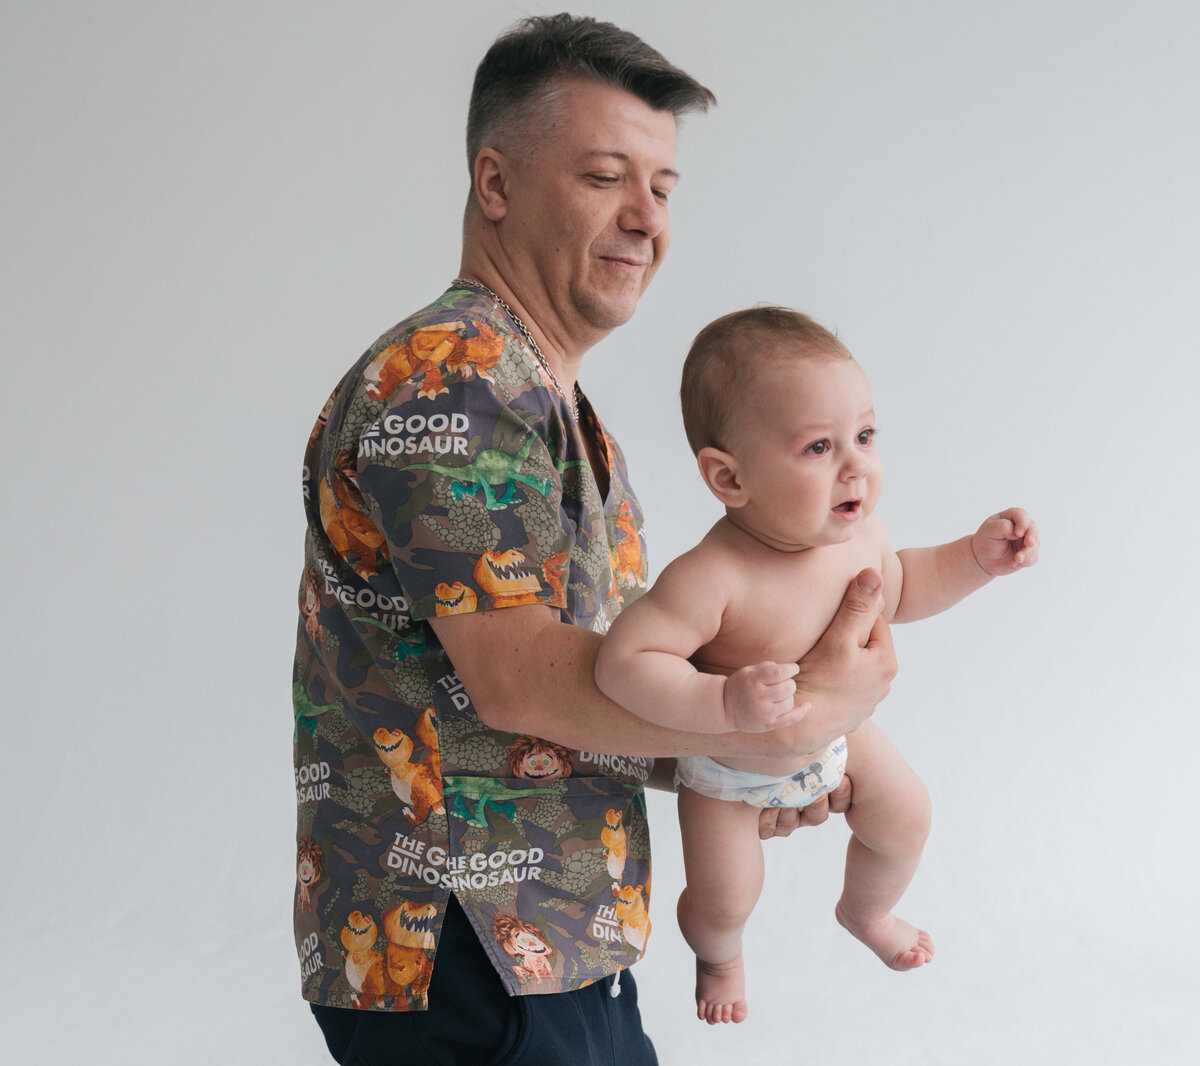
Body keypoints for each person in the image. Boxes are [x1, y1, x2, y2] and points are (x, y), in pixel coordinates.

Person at [292, 16, 896, 1065]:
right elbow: (517, 679)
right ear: (495, 183)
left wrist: (749, 768)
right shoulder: (455, 382)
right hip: (460, 943)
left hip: (550, 937)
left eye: (662, 186)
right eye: (605, 177)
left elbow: (598, 695)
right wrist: (770, 733)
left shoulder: (542, 397)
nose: (646, 217)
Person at [595, 307, 1039, 1025]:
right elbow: (625, 662)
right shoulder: (712, 576)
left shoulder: (862, 539)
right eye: (819, 447)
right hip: (726, 768)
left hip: (837, 733)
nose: (855, 465)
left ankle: (867, 911)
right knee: (724, 898)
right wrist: (722, 704)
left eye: (864, 436)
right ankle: (719, 956)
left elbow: (905, 588)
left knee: (907, 814)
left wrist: (974, 560)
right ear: (729, 478)